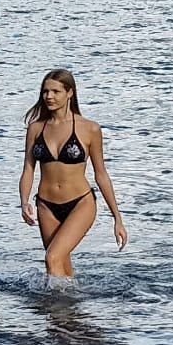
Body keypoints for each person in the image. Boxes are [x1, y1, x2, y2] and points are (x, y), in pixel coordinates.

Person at [17, 68, 128, 283]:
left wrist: (117, 218)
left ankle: (56, 303)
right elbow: (28, 169)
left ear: (70, 93)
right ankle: (72, 303)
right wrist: (24, 202)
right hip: (46, 205)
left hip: (80, 203)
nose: (49, 96)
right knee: (60, 262)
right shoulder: (36, 128)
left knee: (52, 257)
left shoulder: (90, 129)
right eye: (45, 91)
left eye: (55, 91)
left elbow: (101, 175)